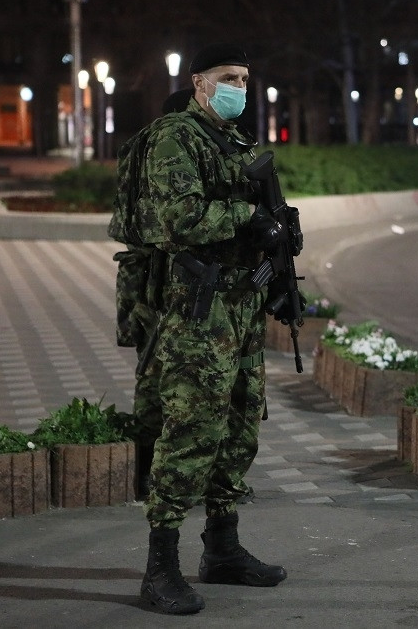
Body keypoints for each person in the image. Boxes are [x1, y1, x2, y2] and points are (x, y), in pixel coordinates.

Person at [132, 43, 286, 615]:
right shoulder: (176, 137)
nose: (239, 88)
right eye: (228, 78)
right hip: (198, 312)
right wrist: (250, 218)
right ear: (199, 83)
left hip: (240, 310)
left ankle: (222, 549)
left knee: (239, 426)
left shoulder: (236, 141)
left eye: (245, 78)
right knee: (191, 431)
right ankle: (160, 567)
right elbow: (178, 220)